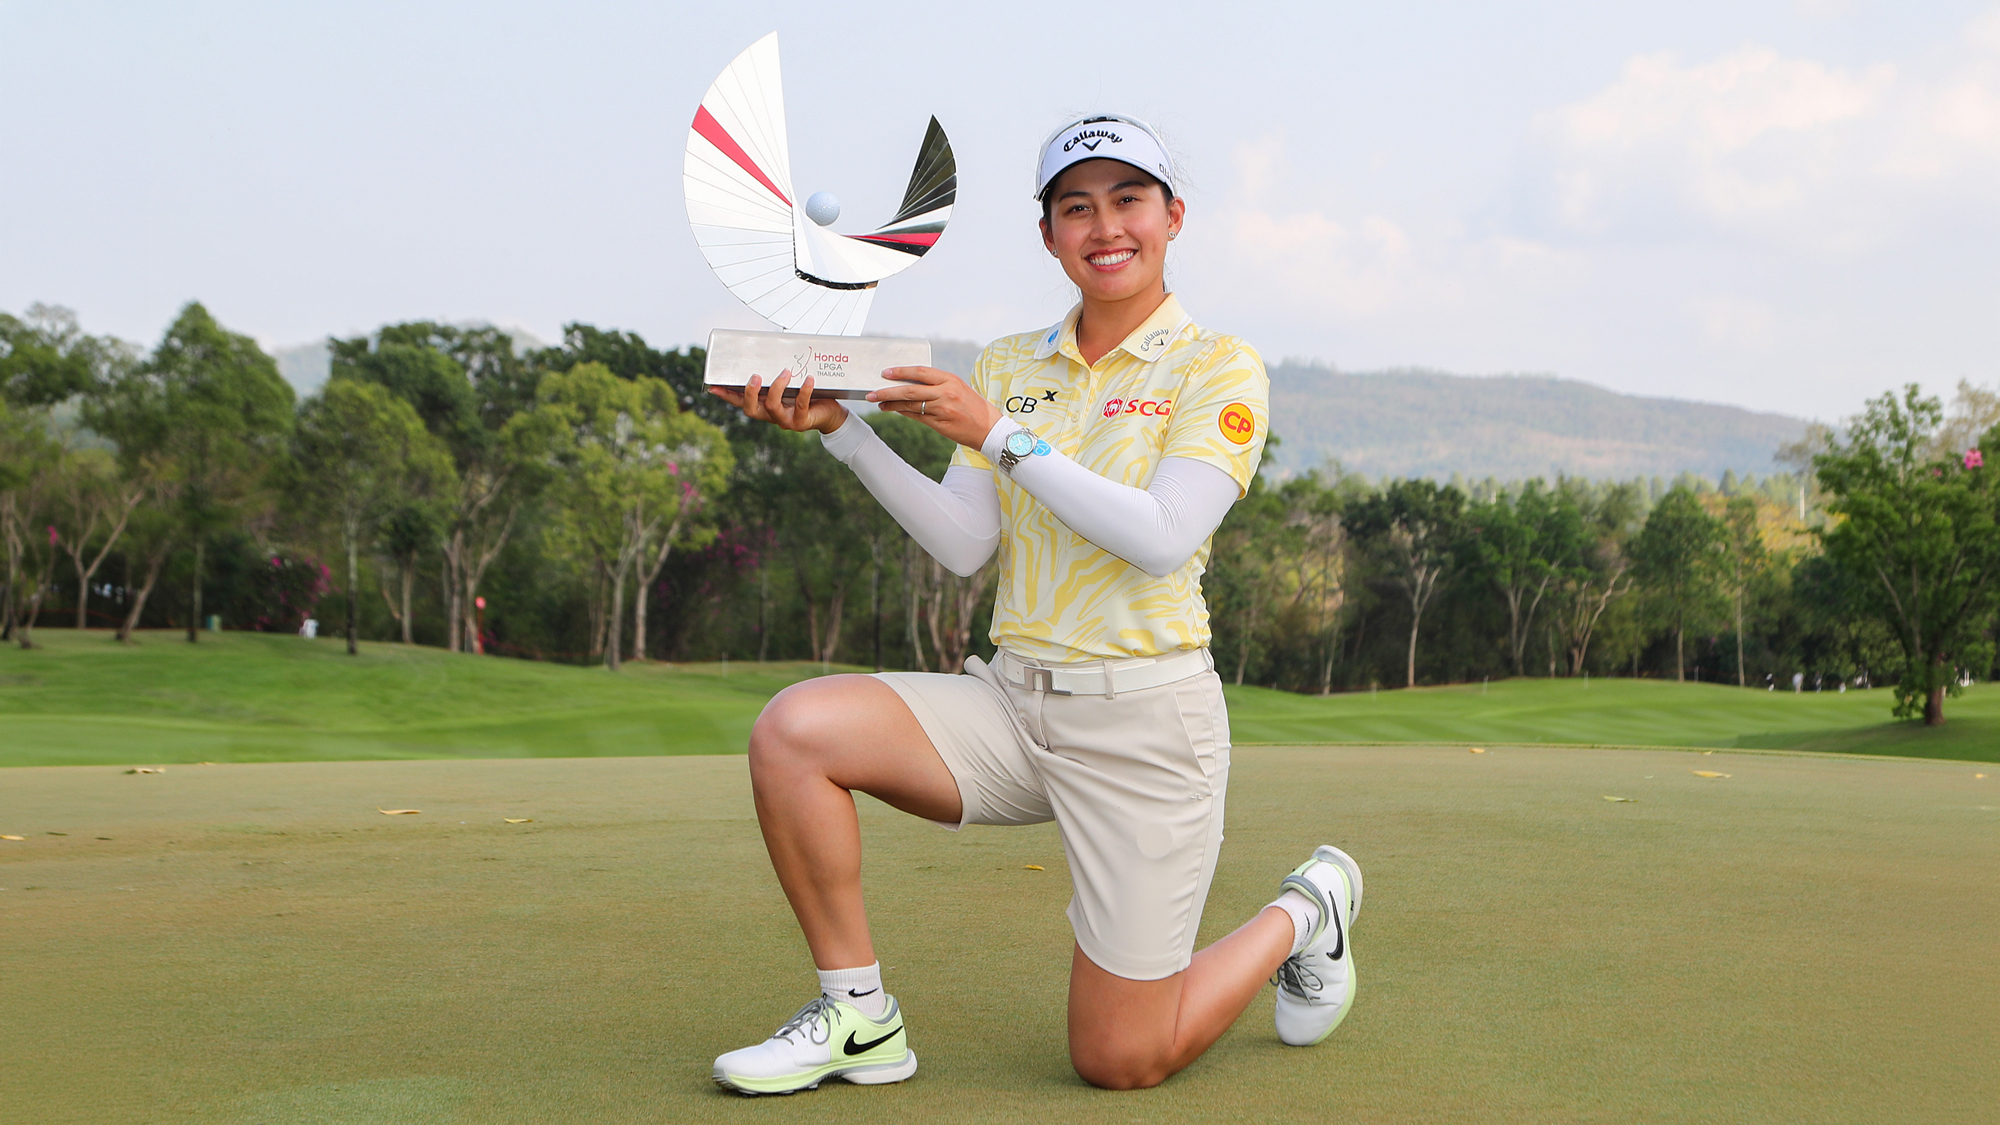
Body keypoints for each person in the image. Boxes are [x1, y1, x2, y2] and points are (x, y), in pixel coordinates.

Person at [706, 114, 1363, 1095]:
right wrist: (842, 433)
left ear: (1173, 216)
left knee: (1118, 1058)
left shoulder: (1218, 368)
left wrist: (1002, 437)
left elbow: (1160, 533)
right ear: (1048, 234)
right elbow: (965, 541)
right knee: (796, 729)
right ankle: (858, 1018)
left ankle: (1305, 912)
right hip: (1012, 708)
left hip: (1145, 728)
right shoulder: (1012, 367)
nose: (1105, 225)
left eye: (1127, 199)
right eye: (1075, 206)